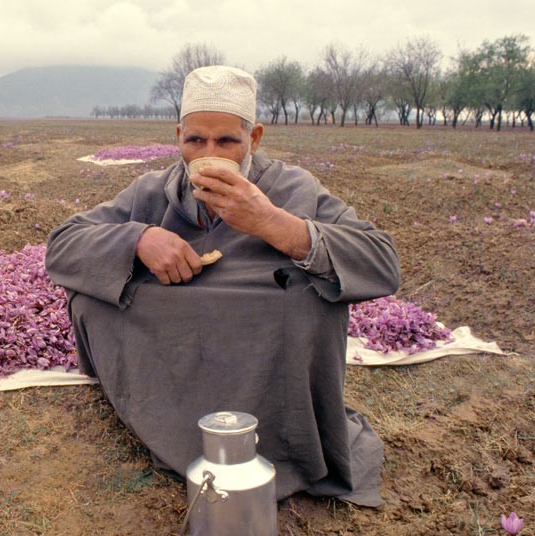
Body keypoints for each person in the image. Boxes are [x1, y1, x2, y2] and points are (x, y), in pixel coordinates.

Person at [45, 65, 400, 506]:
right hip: (170, 324)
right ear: (178, 137)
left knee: (313, 299)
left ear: (254, 139)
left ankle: (272, 442)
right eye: (196, 140)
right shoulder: (152, 192)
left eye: (227, 142)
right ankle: (167, 420)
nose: (208, 153)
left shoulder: (293, 188)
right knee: (90, 293)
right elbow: (62, 245)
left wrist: (273, 223)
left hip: (260, 331)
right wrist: (138, 238)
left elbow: (382, 262)